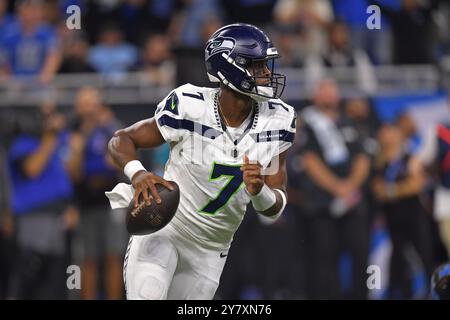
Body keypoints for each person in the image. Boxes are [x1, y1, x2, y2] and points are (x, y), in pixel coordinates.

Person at [107, 23, 297, 300]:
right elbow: (120, 140)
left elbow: (275, 207)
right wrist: (137, 174)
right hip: (167, 229)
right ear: (230, 67)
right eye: (258, 66)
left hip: (211, 249)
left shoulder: (279, 120)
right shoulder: (189, 104)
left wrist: (259, 193)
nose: (267, 73)